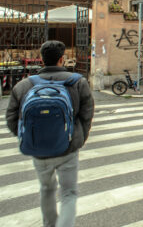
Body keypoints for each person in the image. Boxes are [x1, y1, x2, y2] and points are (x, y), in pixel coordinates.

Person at [5, 40, 95, 227]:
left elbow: (12, 118)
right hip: (68, 148)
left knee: (46, 189)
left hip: (39, 150)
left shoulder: (24, 85)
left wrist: (28, 137)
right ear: (62, 59)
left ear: (42, 60)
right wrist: (79, 138)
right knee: (69, 193)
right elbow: (87, 115)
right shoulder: (78, 82)